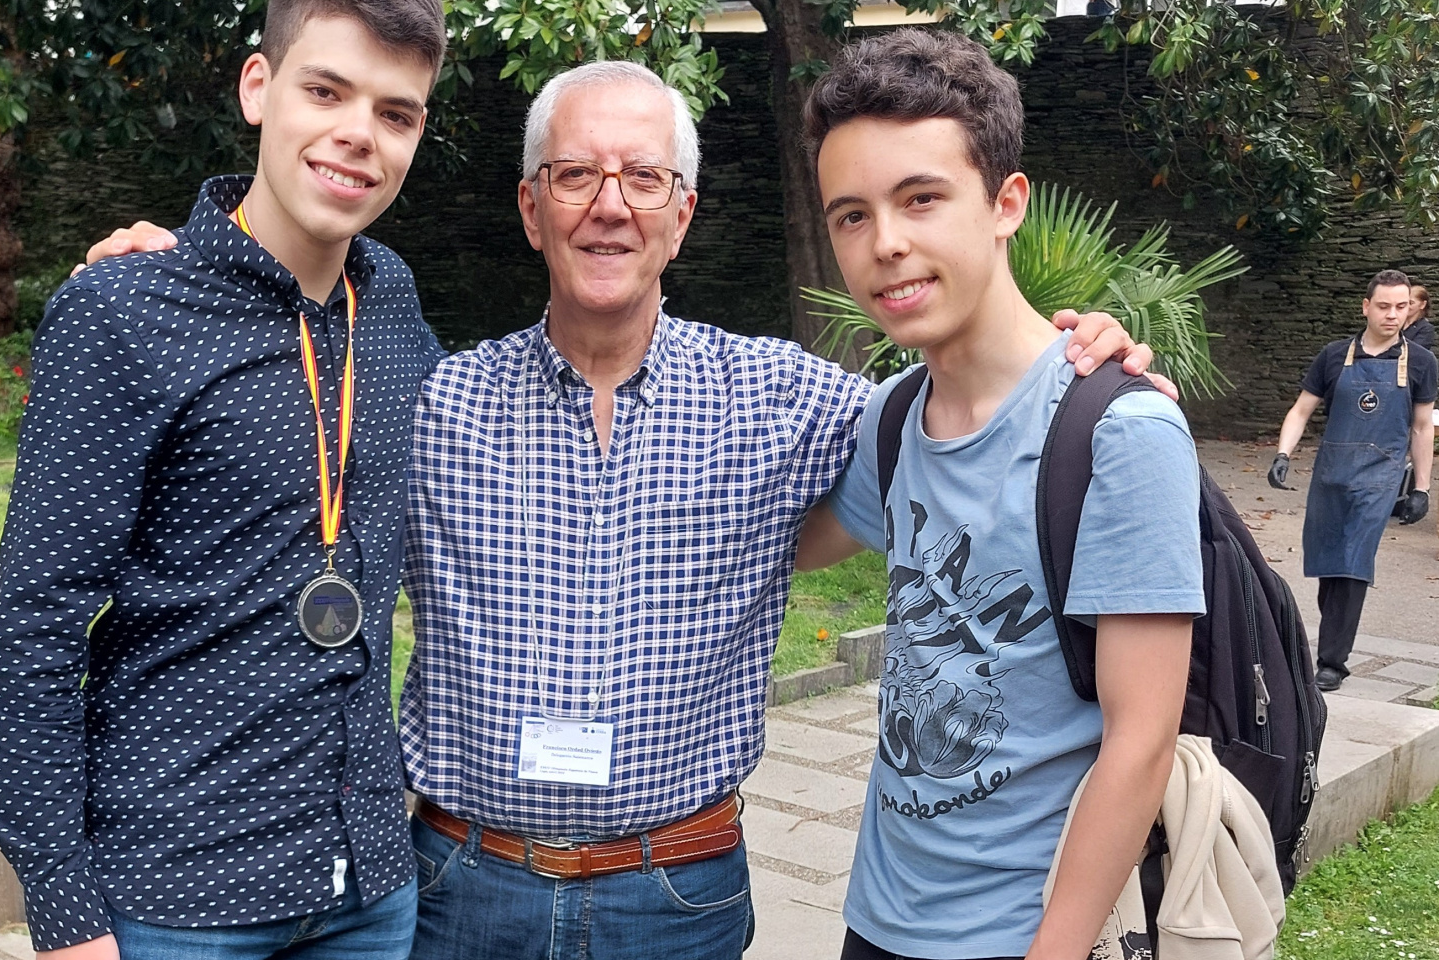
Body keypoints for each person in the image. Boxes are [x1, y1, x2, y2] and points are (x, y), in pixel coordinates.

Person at [82, 62, 1166, 960]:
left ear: (683, 213)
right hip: (464, 888)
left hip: (676, 897)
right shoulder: (428, 399)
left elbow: (971, 402)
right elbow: (283, 391)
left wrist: (1094, 359)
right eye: (575, 174)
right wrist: (180, 281)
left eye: (645, 177)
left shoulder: (791, 401)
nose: (610, 204)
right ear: (530, 205)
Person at [0, 3, 448, 959]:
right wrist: (65, 916)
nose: (358, 133)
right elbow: (29, 637)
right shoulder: (123, 311)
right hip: (175, 898)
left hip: (368, 888)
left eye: (395, 113)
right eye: (325, 90)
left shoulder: (392, 302)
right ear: (258, 88)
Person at [792, 29, 1205, 960]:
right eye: (850, 215)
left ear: (1005, 202)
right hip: (878, 916)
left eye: (921, 198)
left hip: (1018, 933)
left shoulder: (1119, 433)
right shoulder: (895, 413)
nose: (886, 244)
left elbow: (1141, 741)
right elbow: (792, 542)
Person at [1269, 269, 1435, 691]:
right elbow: (1301, 410)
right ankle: (1332, 647)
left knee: (1353, 563)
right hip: (1331, 475)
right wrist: (1283, 454)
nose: (1393, 314)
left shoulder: (1420, 362)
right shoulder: (1333, 356)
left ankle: (1332, 663)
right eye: (1384, 306)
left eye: (1401, 306)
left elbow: (1421, 426)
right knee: (1330, 566)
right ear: (1366, 307)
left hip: (1379, 479)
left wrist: (1421, 487)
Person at [1405, 283, 1433, 353]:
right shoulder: (1397, 323)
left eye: (1411, 303)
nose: (1406, 306)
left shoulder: (1426, 329)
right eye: (1404, 303)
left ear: (1423, 304)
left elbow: (1415, 352)